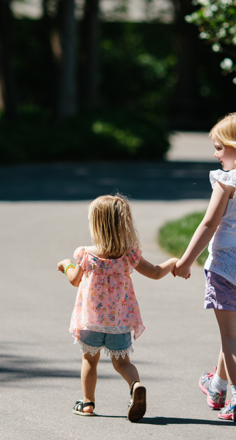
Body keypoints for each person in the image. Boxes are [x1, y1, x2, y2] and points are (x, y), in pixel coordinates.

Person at [57, 194, 178, 422]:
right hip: (119, 323)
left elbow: (74, 279)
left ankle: (87, 403)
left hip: (91, 321)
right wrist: (171, 262)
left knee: (89, 361)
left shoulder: (85, 254)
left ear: (96, 225)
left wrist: (66, 264)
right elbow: (154, 272)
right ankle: (136, 385)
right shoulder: (128, 254)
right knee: (122, 362)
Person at [173, 113, 236, 421]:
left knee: (230, 338)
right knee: (232, 335)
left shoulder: (226, 181)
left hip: (225, 267)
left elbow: (209, 223)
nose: (215, 154)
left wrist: (185, 261)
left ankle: (234, 399)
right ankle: (217, 386)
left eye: (220, 147)